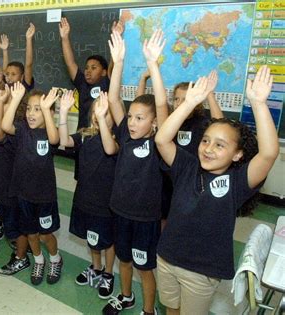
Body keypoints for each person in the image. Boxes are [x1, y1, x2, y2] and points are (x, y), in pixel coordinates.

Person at [154, 65, 279, 315]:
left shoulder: (238, 182)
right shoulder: (187, 166)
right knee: (171, 309)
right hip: (167, 258)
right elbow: (161, 139)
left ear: (238, 154)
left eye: (220, 145)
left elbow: (268, 153)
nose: (208, 148)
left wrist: (258, 104)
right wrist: (188, 103)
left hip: (201, 271)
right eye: (205, 140)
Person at [101, 30, 168, 315]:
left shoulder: (160, 142)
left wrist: (153, 64)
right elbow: (115, 100)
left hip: (146, 218)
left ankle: (149, 310)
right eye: (131, 117)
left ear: (154, 124)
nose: (131, 122)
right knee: (124, 260)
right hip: (120, 211)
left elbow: (163, 107)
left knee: (145, 267)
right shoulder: (126, 137)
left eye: (140, 119)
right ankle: (126, 296)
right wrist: (118, 63)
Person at [1, 83, 62, 285]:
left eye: (38, 109)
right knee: (31, 233)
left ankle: (55, 258)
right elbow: (4, 126)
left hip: (44, 196)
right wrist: (16, 99)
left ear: (48, 111)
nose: (31, 114)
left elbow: (55, 139)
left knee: (46, 234)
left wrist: (47, 110)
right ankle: (38, 260)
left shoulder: (48, 133)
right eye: (29, 108)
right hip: (23, 194)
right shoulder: (21, 130)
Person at [59, 90, 118, 299]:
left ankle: (109, 273)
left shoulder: (116, 139)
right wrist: (64, 112)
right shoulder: (84, 136)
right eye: (95, 111)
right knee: (92, 237)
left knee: (108, 240)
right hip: (85, 199)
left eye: (104, 112)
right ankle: (96, 267)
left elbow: (109, 149)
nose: (97, 114)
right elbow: (64, 141)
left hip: (106, 203)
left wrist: (102, 120)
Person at [0, 82, 30, 276]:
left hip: (11, 190)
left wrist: (0, 103)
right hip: (2, 187)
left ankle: (21, 258)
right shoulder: (8, 129)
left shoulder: (13, 130)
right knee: (12, 223)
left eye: (9, 104)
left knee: (16, 226)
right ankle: (23, 246)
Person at [58, 17, 110, 131]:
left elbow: (115, 65)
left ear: (104, 72)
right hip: (82, 134)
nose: (88, 71)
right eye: (86, 68)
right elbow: (70, 63)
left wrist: (118, 36)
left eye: (94, 68)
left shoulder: (107, 82)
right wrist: (65, 38)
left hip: (102, 134)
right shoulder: (82, 83)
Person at [3, 23, 35, 92]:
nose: (9, 77)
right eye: (7, 74)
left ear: (22, 77)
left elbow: (28, 65)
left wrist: (29, 39)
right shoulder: (5, 87)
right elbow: (4, 69)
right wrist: (4, 50)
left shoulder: (24, 87)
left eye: (13, 74)